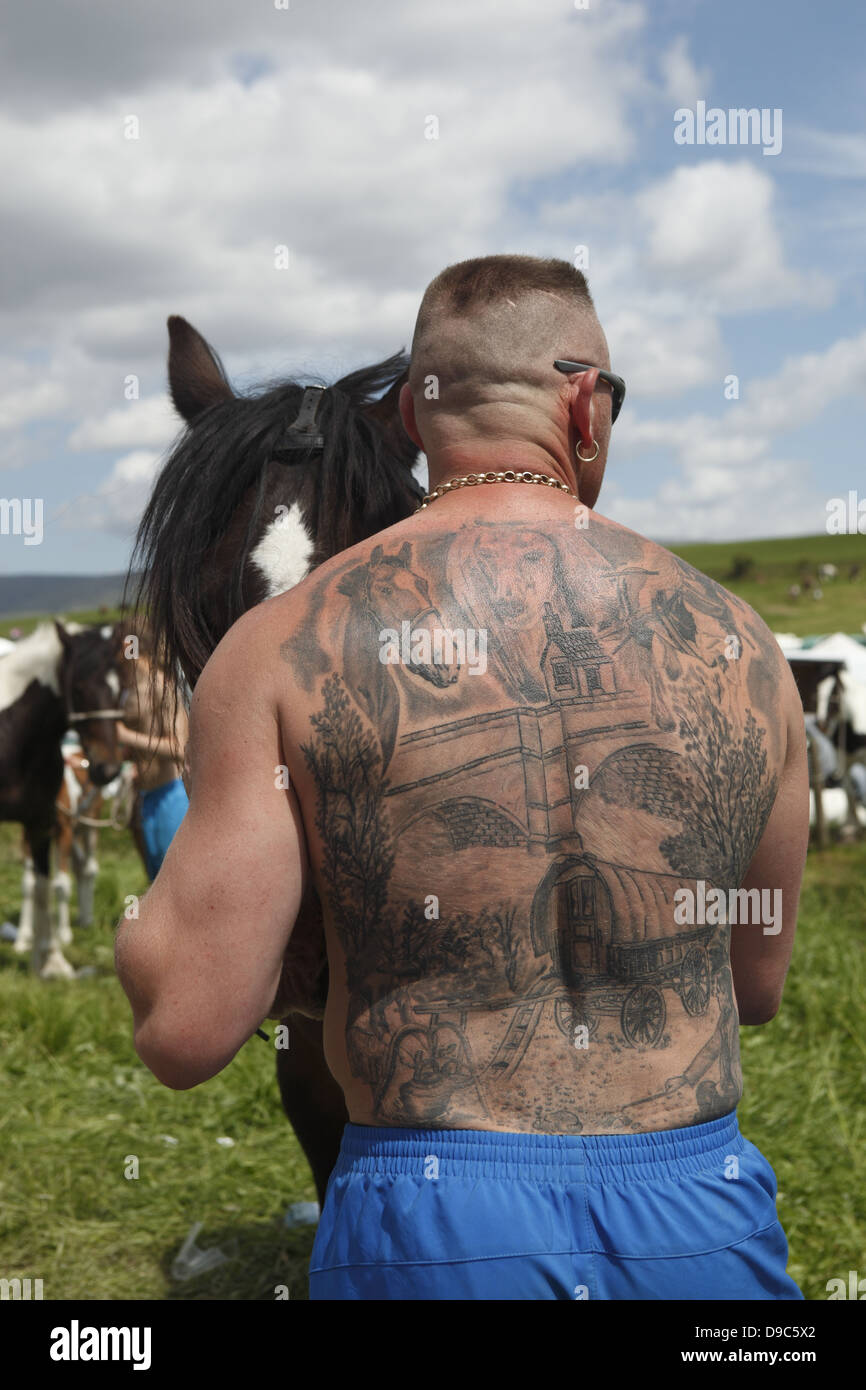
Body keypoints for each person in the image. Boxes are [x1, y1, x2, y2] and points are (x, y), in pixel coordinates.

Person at [116, 255, 809, 1300]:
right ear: (584, 404)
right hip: (696, 1212)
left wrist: (150, 920)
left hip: (433, 1217)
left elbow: (186, 1028)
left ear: (408, 414)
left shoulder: (275, 649)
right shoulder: (740, 642)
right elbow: (752, 985)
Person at [115, 625, 190, 881]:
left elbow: (180, 748)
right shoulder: (128, 693)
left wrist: (126, 736)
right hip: (146, 798)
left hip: (173, 796)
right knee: (156, 880)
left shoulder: (163, 686)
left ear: (129, 646)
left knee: (177, 881)